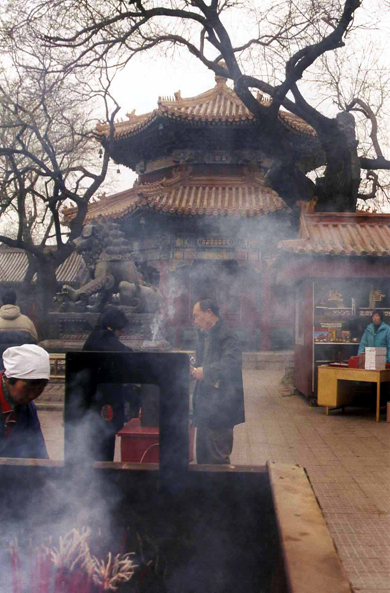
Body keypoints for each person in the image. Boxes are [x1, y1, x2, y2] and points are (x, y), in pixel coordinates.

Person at [191, 298, 245, 464]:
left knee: (217, 459)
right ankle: (204, 490)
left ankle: (221, 490)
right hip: (205, 409)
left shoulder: (228, 336)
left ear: (209, 313)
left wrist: (206, 371)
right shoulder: (206, 336)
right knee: (203, 458)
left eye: (197, 316)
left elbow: (232, 364)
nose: (195, 321)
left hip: (221, 409)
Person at [82, 306, 139, 461]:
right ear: (112, 327)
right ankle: (103, 478)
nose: (121, 334)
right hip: (105, 404)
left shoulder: (92, 338)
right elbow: (128, 356)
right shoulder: (106, 341)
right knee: (104, 448)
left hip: (87, 404)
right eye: (120, 330)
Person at [0, 344, 50, 459]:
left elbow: (37, 450)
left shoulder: (27, 407)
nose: (33, 395)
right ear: (9, 380)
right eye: (28, 388)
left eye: (40, 388)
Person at [0, 290, 38, 367]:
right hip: (21, 368)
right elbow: (34, 343)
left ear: (1, 303)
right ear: (16, 302)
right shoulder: (26, 321)